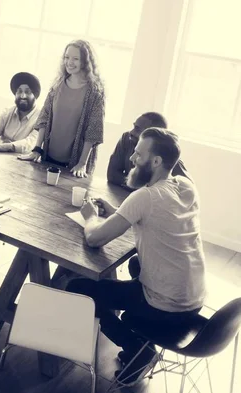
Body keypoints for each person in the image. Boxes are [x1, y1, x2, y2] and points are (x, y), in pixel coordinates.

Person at [66, 127, 206, 386]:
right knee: (134, 264)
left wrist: (91, 218)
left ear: (156, 162)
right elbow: (158, 215)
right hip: (194, 300)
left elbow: (94, 239)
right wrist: (120, 212)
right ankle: (138, 341)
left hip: (165, 307)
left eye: (138, 155)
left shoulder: (145, 197)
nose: (131, 158)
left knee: (77, 287)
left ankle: (138, 348)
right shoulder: (187, 187)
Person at [18, 39, 105, 178]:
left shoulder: (95, 92)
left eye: (75, 58)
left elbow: (93, 131)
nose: (69, 62)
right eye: (67, 57)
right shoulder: (57, 85)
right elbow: (44, 119)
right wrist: (37, 150)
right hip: (49, 156)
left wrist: (82, 163)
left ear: (85, 61)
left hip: (75, 165)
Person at [108, 112, 191, 191]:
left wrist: (149, 191)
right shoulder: (126, 138)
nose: (131, 132)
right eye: (134, 126)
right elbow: (112, 175)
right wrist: (139, 187)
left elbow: (186, 190)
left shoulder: (169, 157)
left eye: (137, 129)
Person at [0, 72, 41, 154]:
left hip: (23, 163)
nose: (22, 96)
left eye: (27, 92)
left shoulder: (41, 118)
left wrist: (0, 147)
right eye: (19, 91)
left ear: (35, 95)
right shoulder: (8, 112)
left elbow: (29, 144)